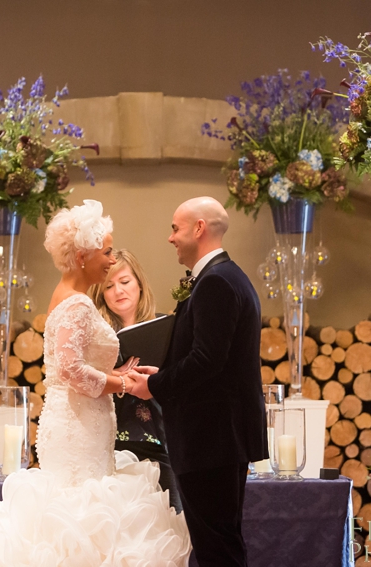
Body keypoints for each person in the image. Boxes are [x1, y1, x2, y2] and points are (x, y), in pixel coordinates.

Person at [0, 200, 191, 566]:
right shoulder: (78, 305)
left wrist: (116, 378)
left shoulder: (69, 300)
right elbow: (71, 370)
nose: (111, 259)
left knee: (83, 510)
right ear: (83, 255)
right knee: (81, 512)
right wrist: (121, 382)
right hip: (78, 427)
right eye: (106, 252)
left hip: (81, 422)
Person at [128, 196, 266, 566]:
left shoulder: (216, 282)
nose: (171, 238)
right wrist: (166, 371)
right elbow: (208, 356)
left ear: (198, 228)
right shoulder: (223, 277)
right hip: (219, 438)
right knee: (219, 542)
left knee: (216, 548)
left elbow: (207, 361)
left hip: (212, 438)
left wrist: (154, 387)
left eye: (175, 228)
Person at [89, 248, 181, 511]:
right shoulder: (97, 335)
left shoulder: (165, 327)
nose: (119, 291)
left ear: (139, 284)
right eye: (109, 286)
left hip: (161, 438)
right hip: (112, 440)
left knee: (169, 515)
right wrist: (115, 378)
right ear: (101, 294)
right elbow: (81, 380)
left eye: (125, 282)